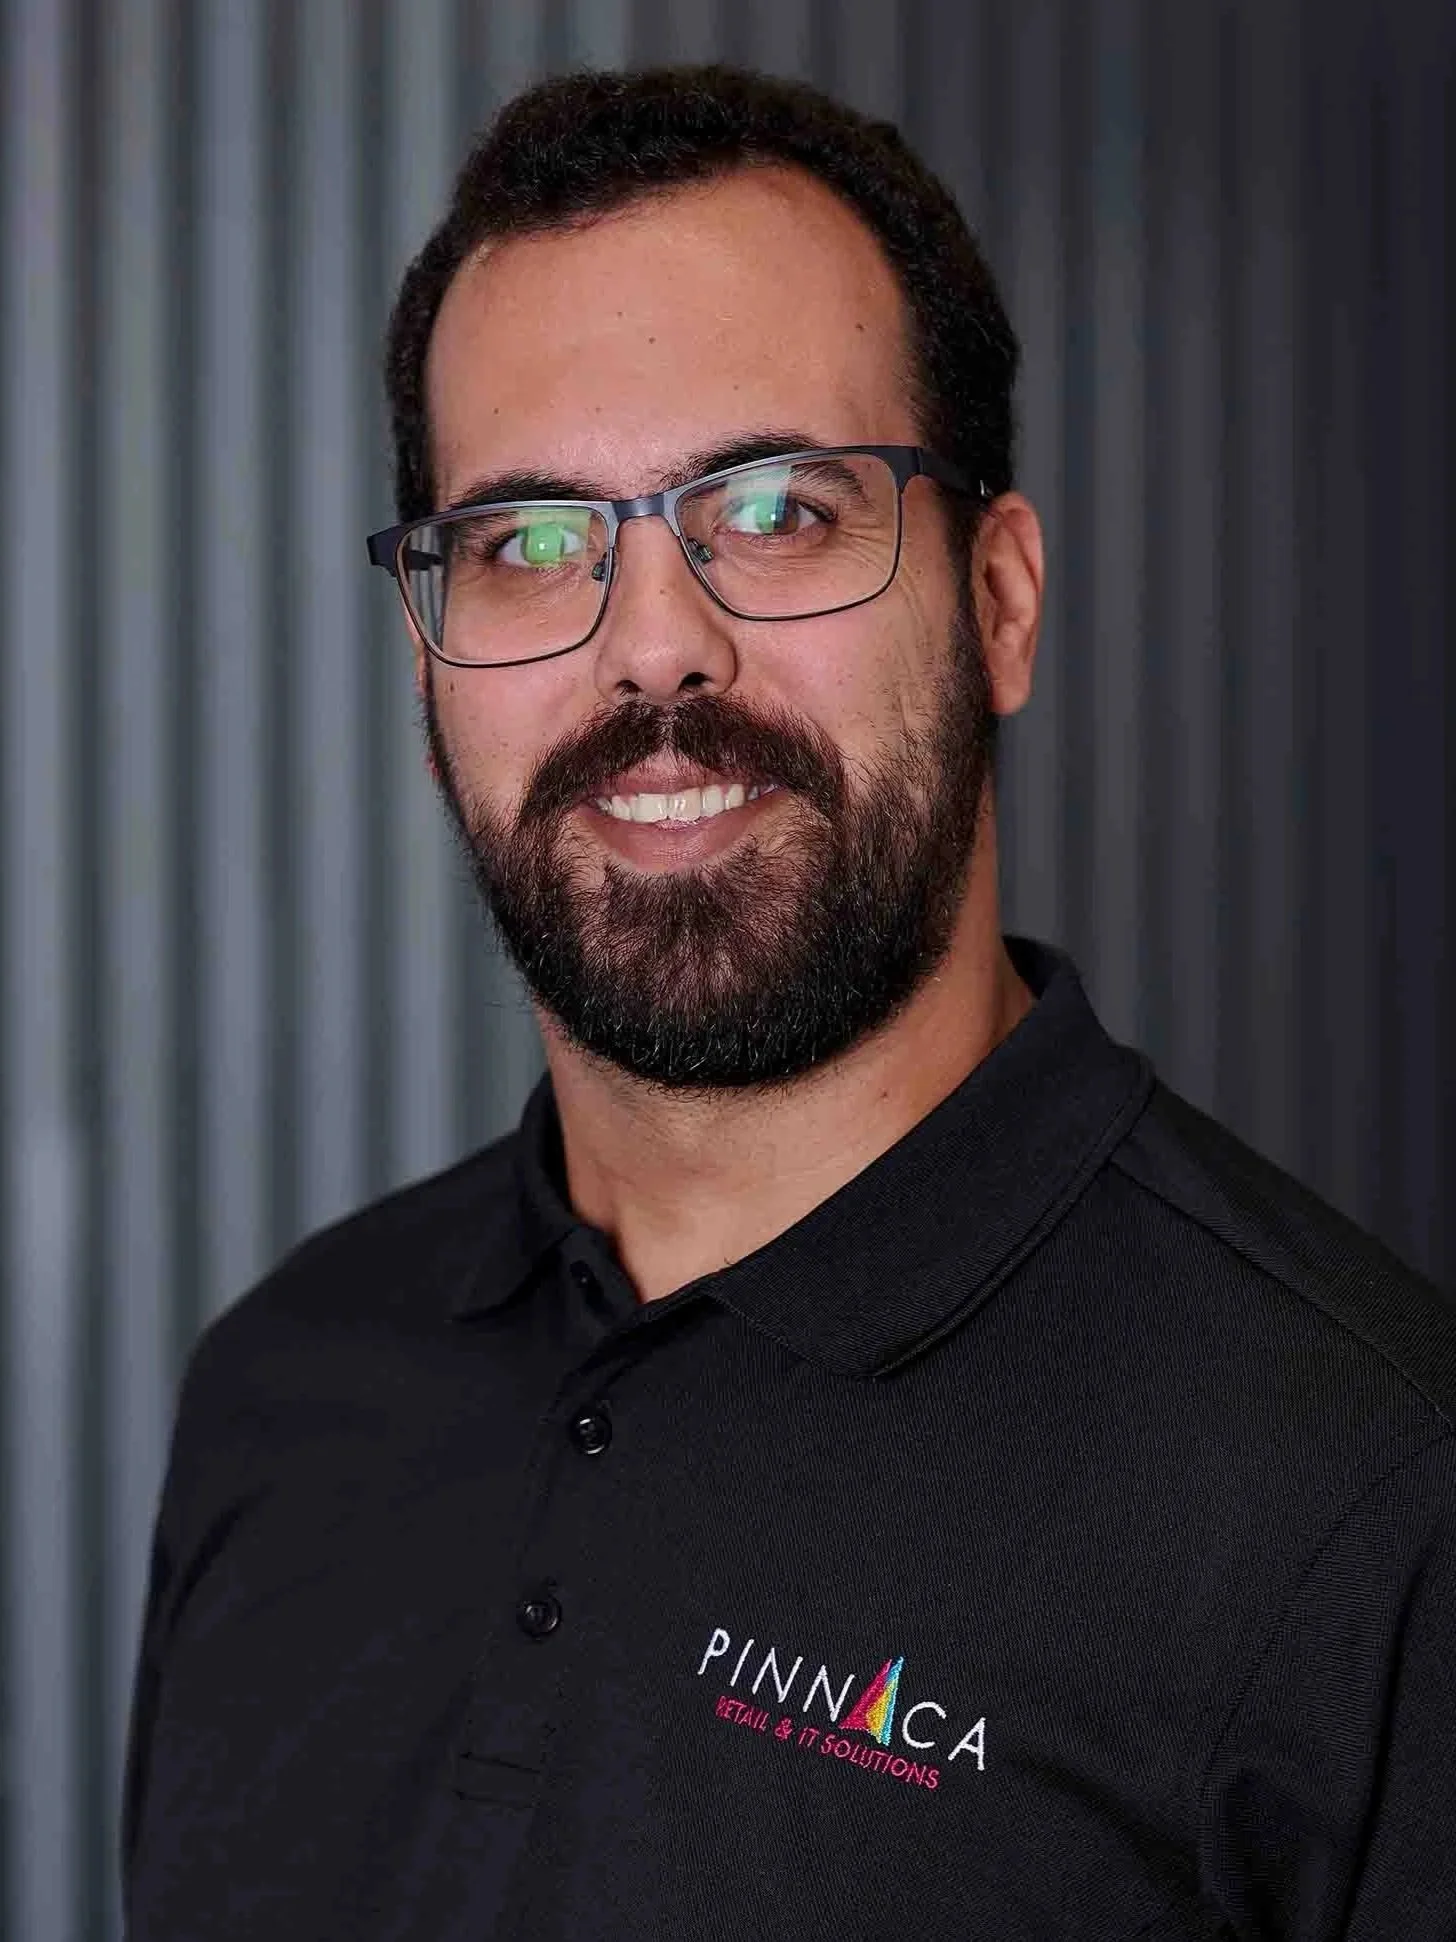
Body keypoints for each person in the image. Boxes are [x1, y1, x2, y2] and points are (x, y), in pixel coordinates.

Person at [122, 64, 1456, 1942]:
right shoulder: (283, 1392)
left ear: (999, 601)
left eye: (779, 508)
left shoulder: (1370, 1505)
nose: (656, 643)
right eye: (526, 544)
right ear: (430, 655)